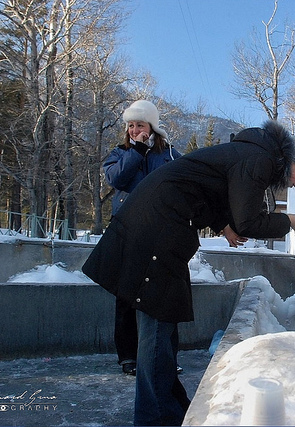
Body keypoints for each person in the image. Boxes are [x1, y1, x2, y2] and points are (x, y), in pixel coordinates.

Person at [82, 120, 295, 426]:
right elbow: (248, 221)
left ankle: (170, 410)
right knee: (157, 325)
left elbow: (207, 188)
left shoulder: (253, 152)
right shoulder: (260, 159)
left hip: (160, 221)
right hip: (158, 225)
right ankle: (154, 419)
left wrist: (223, 223)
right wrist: (287, 221)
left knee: (165, 320)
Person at [103, 99, 182, 376]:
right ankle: (128, 356)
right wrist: (136, 150)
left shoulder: (169, 154)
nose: (135, 130)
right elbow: (116, 179)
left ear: (152, 126)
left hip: (158, 234)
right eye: (131, 126)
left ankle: (164, 356)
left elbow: (181, 186)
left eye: (141, 125)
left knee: (161, 296)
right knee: (125, 295)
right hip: (126, 231)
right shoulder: (119, 153)